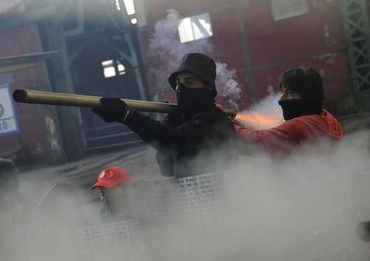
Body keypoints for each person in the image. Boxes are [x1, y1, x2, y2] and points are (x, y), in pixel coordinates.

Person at [92, 53, 237, 178]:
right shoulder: (186, 121)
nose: (181, 88)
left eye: (189, 82)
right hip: (194, 200)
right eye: (178, 84)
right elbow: (167, 170)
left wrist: (127, 116)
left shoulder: (214, 119)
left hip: (221, 201)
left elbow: (174, 139)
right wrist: (169, 124)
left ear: (207, 87)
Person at [234, 67, 343, 155]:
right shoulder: (326, 117)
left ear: (307, 96)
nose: (281, 100)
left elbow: (257, 141)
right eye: (282, 93)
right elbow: (282, 128)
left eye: (289, 93)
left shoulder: (299, 125)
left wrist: (229, 124)